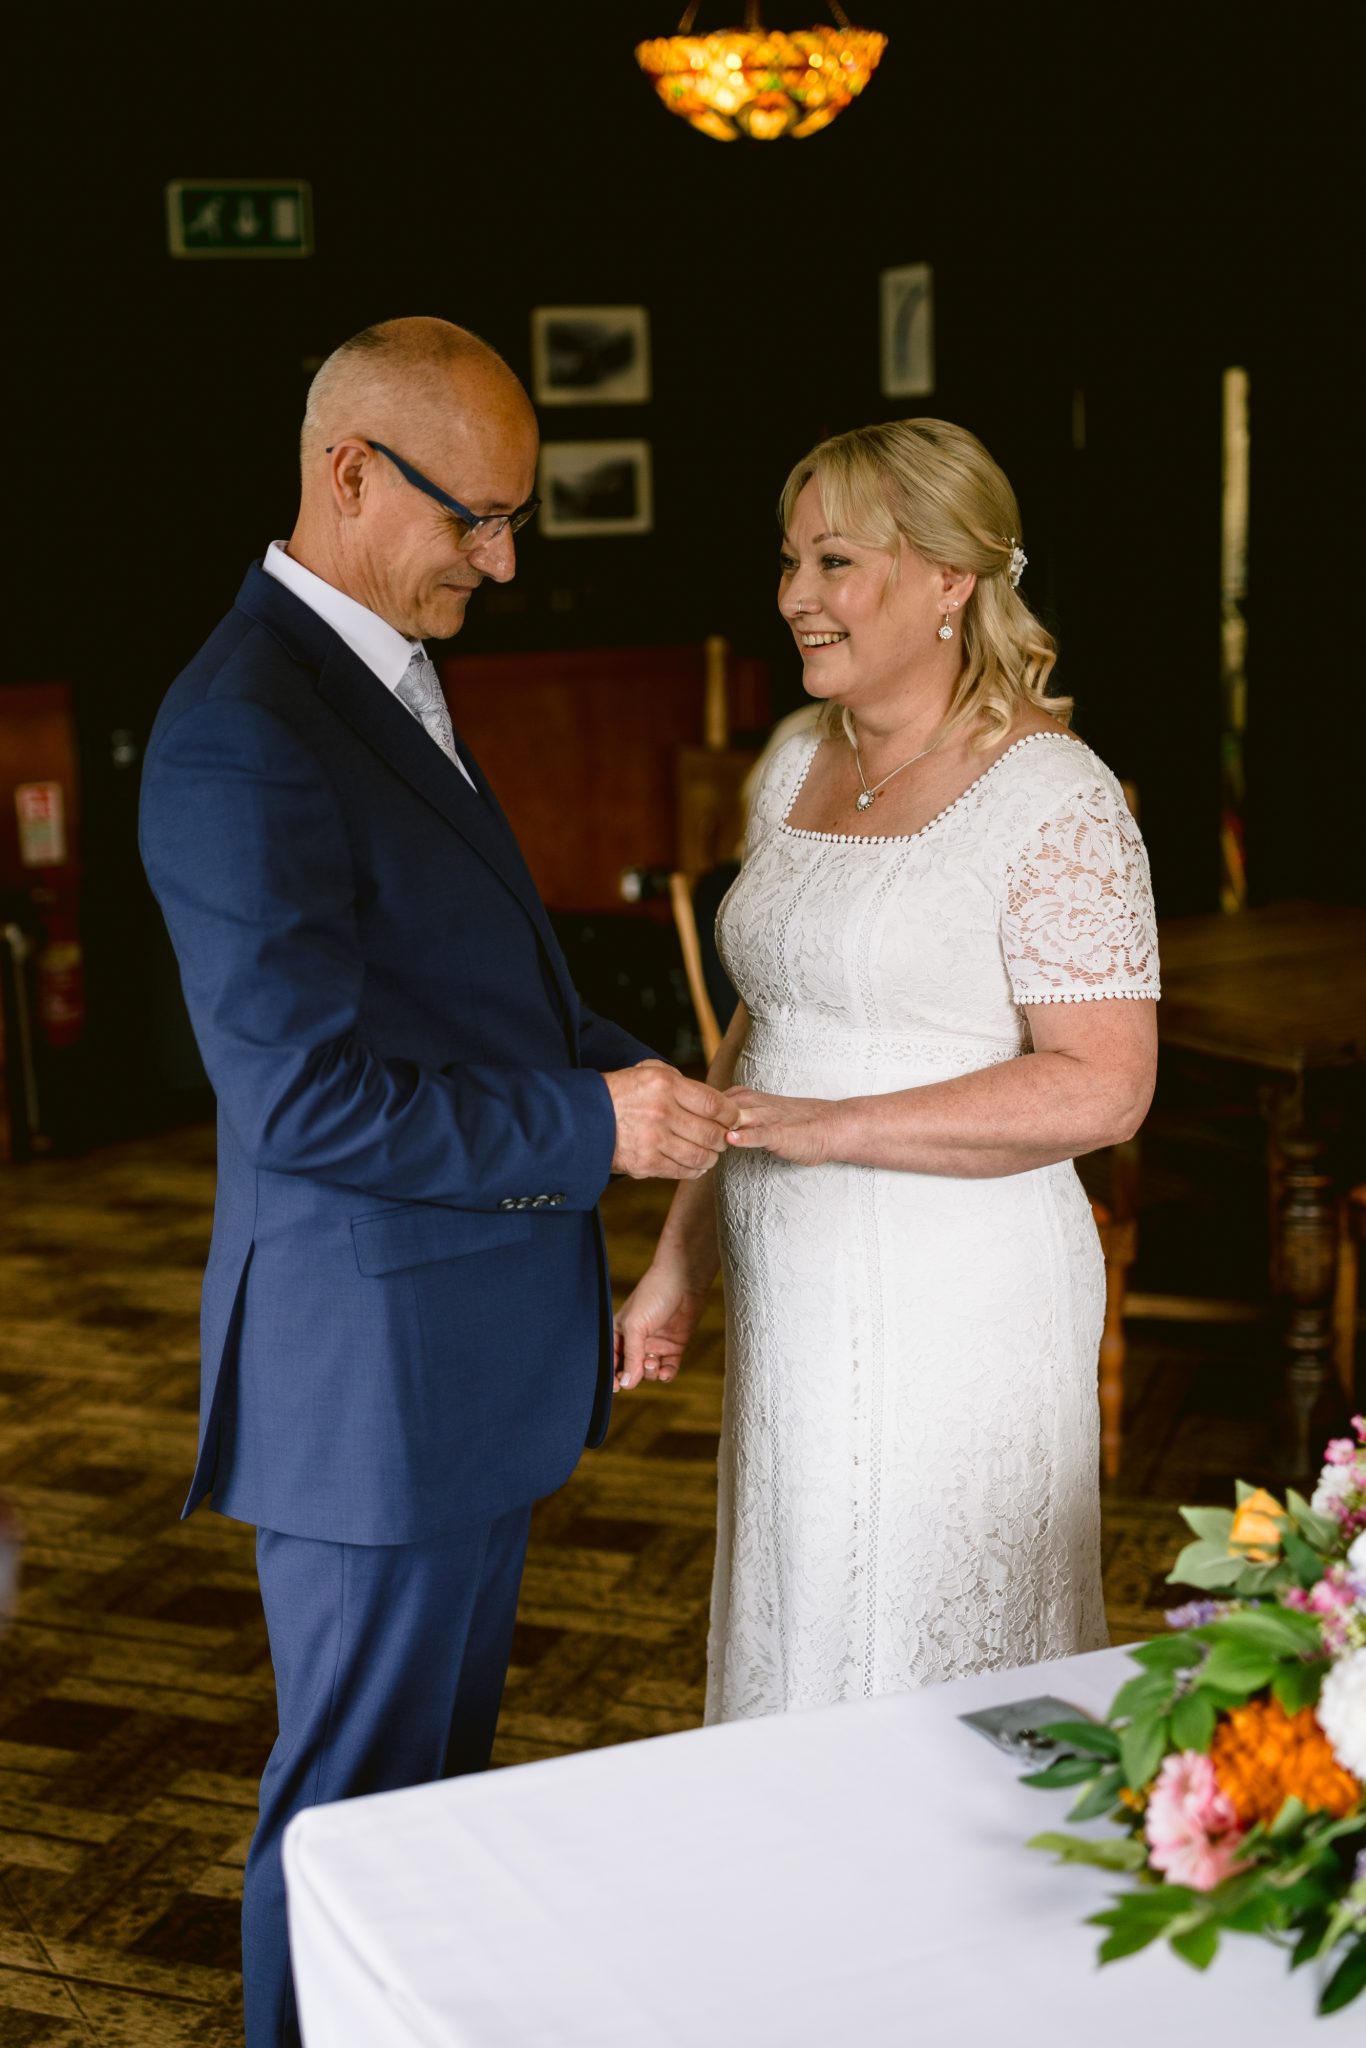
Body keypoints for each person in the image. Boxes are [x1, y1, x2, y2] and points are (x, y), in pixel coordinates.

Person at [138, 317, 738, 2047]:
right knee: (347, 1821)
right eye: (476, 516)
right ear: (348, 472)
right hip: (369, 1379)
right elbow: (303, 1101)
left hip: (456, 1358)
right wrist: (595, 1129)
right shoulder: (245, 722)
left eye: (512, 518)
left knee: (425, 1816)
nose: (504, 558)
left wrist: (643, 1073)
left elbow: (474, 998)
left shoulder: (373, 668)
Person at [615, 418, 1160, 1722]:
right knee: (807, 1610)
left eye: (836, 562)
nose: (794, 596)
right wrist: (680, 1262)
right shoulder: (793, 763)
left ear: (949, 581)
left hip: (961, 1290)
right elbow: (759, 1027)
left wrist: (831, 1126)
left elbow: (1104, 1085)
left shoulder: (1056, 798)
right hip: (793, 1292)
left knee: (931, 1642)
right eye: (789, 560)